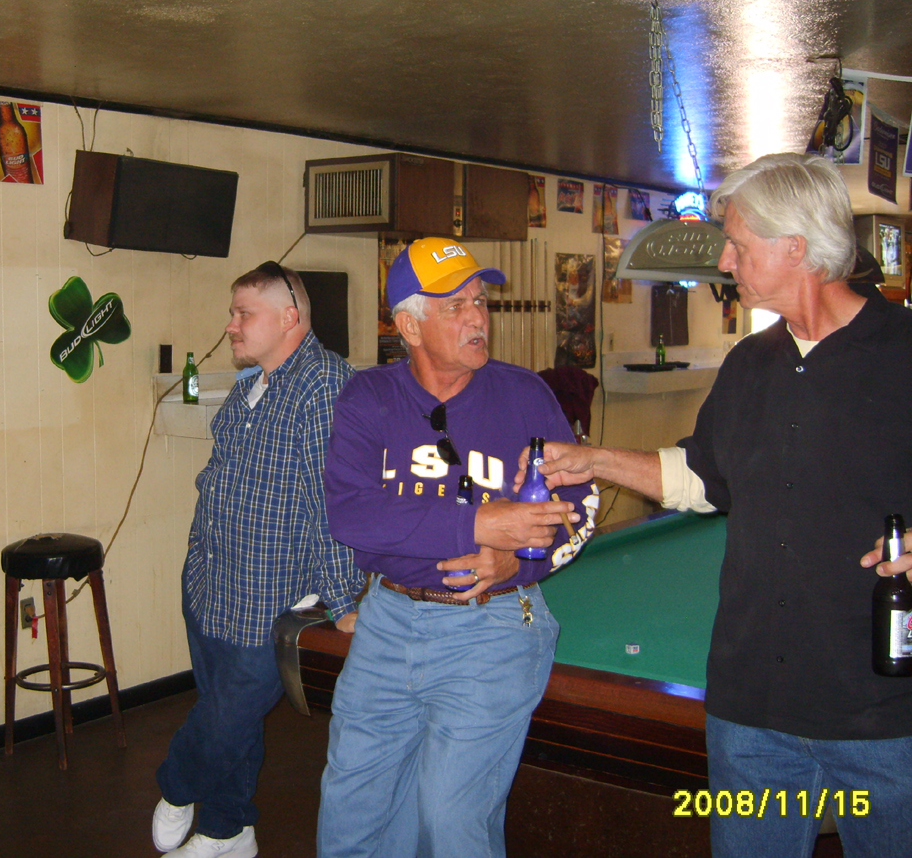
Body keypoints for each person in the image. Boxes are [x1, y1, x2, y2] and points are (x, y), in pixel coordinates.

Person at [524, 153, 912, 858]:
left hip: (883, 714)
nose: (725, 261)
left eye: (737, 243)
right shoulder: (749, 363)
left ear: (795, 246)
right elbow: (704, 479)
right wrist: (595, 459)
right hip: (750, 712)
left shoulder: (904, 352)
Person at [316, 237, 599, 858]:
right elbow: (351, 514)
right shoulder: (368, 397)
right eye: (456, 306)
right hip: (387, 623)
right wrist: (479, 524)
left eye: (479, 301)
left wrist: (520, 558)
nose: (477, 318)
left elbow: (580, 507)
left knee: (451, 822)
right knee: (352, 814)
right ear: (409, 326)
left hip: (491, 627)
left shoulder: (525, 395)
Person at [153, 261, 363, 858]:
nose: (231, 325)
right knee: (230, 718)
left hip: (270, 595)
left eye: (244, 314)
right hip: (212, 580)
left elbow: (330, 498)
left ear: (289, 317)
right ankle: (227, 831)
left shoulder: (323, 384)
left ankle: (176, 783)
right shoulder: (253, 383)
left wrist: (343, 599)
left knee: (228, 714)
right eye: (233, 312)